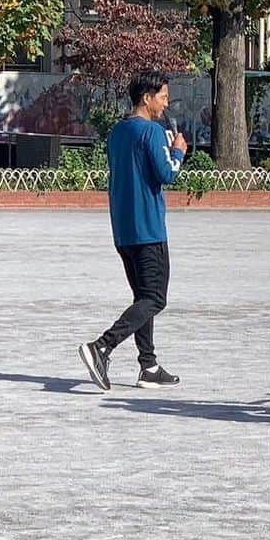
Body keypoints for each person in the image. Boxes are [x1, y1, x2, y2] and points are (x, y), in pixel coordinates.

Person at [78, 70, 187, 391]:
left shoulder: (117, 131)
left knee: (143, 297)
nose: (166, 104)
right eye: (163, 97)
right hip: (148, 228)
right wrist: (178, 150)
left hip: (123, 228)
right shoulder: (151, 131)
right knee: (155, 298)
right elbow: (167, 174)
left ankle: (148, 365)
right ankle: (101, 346)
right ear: (147, 98)